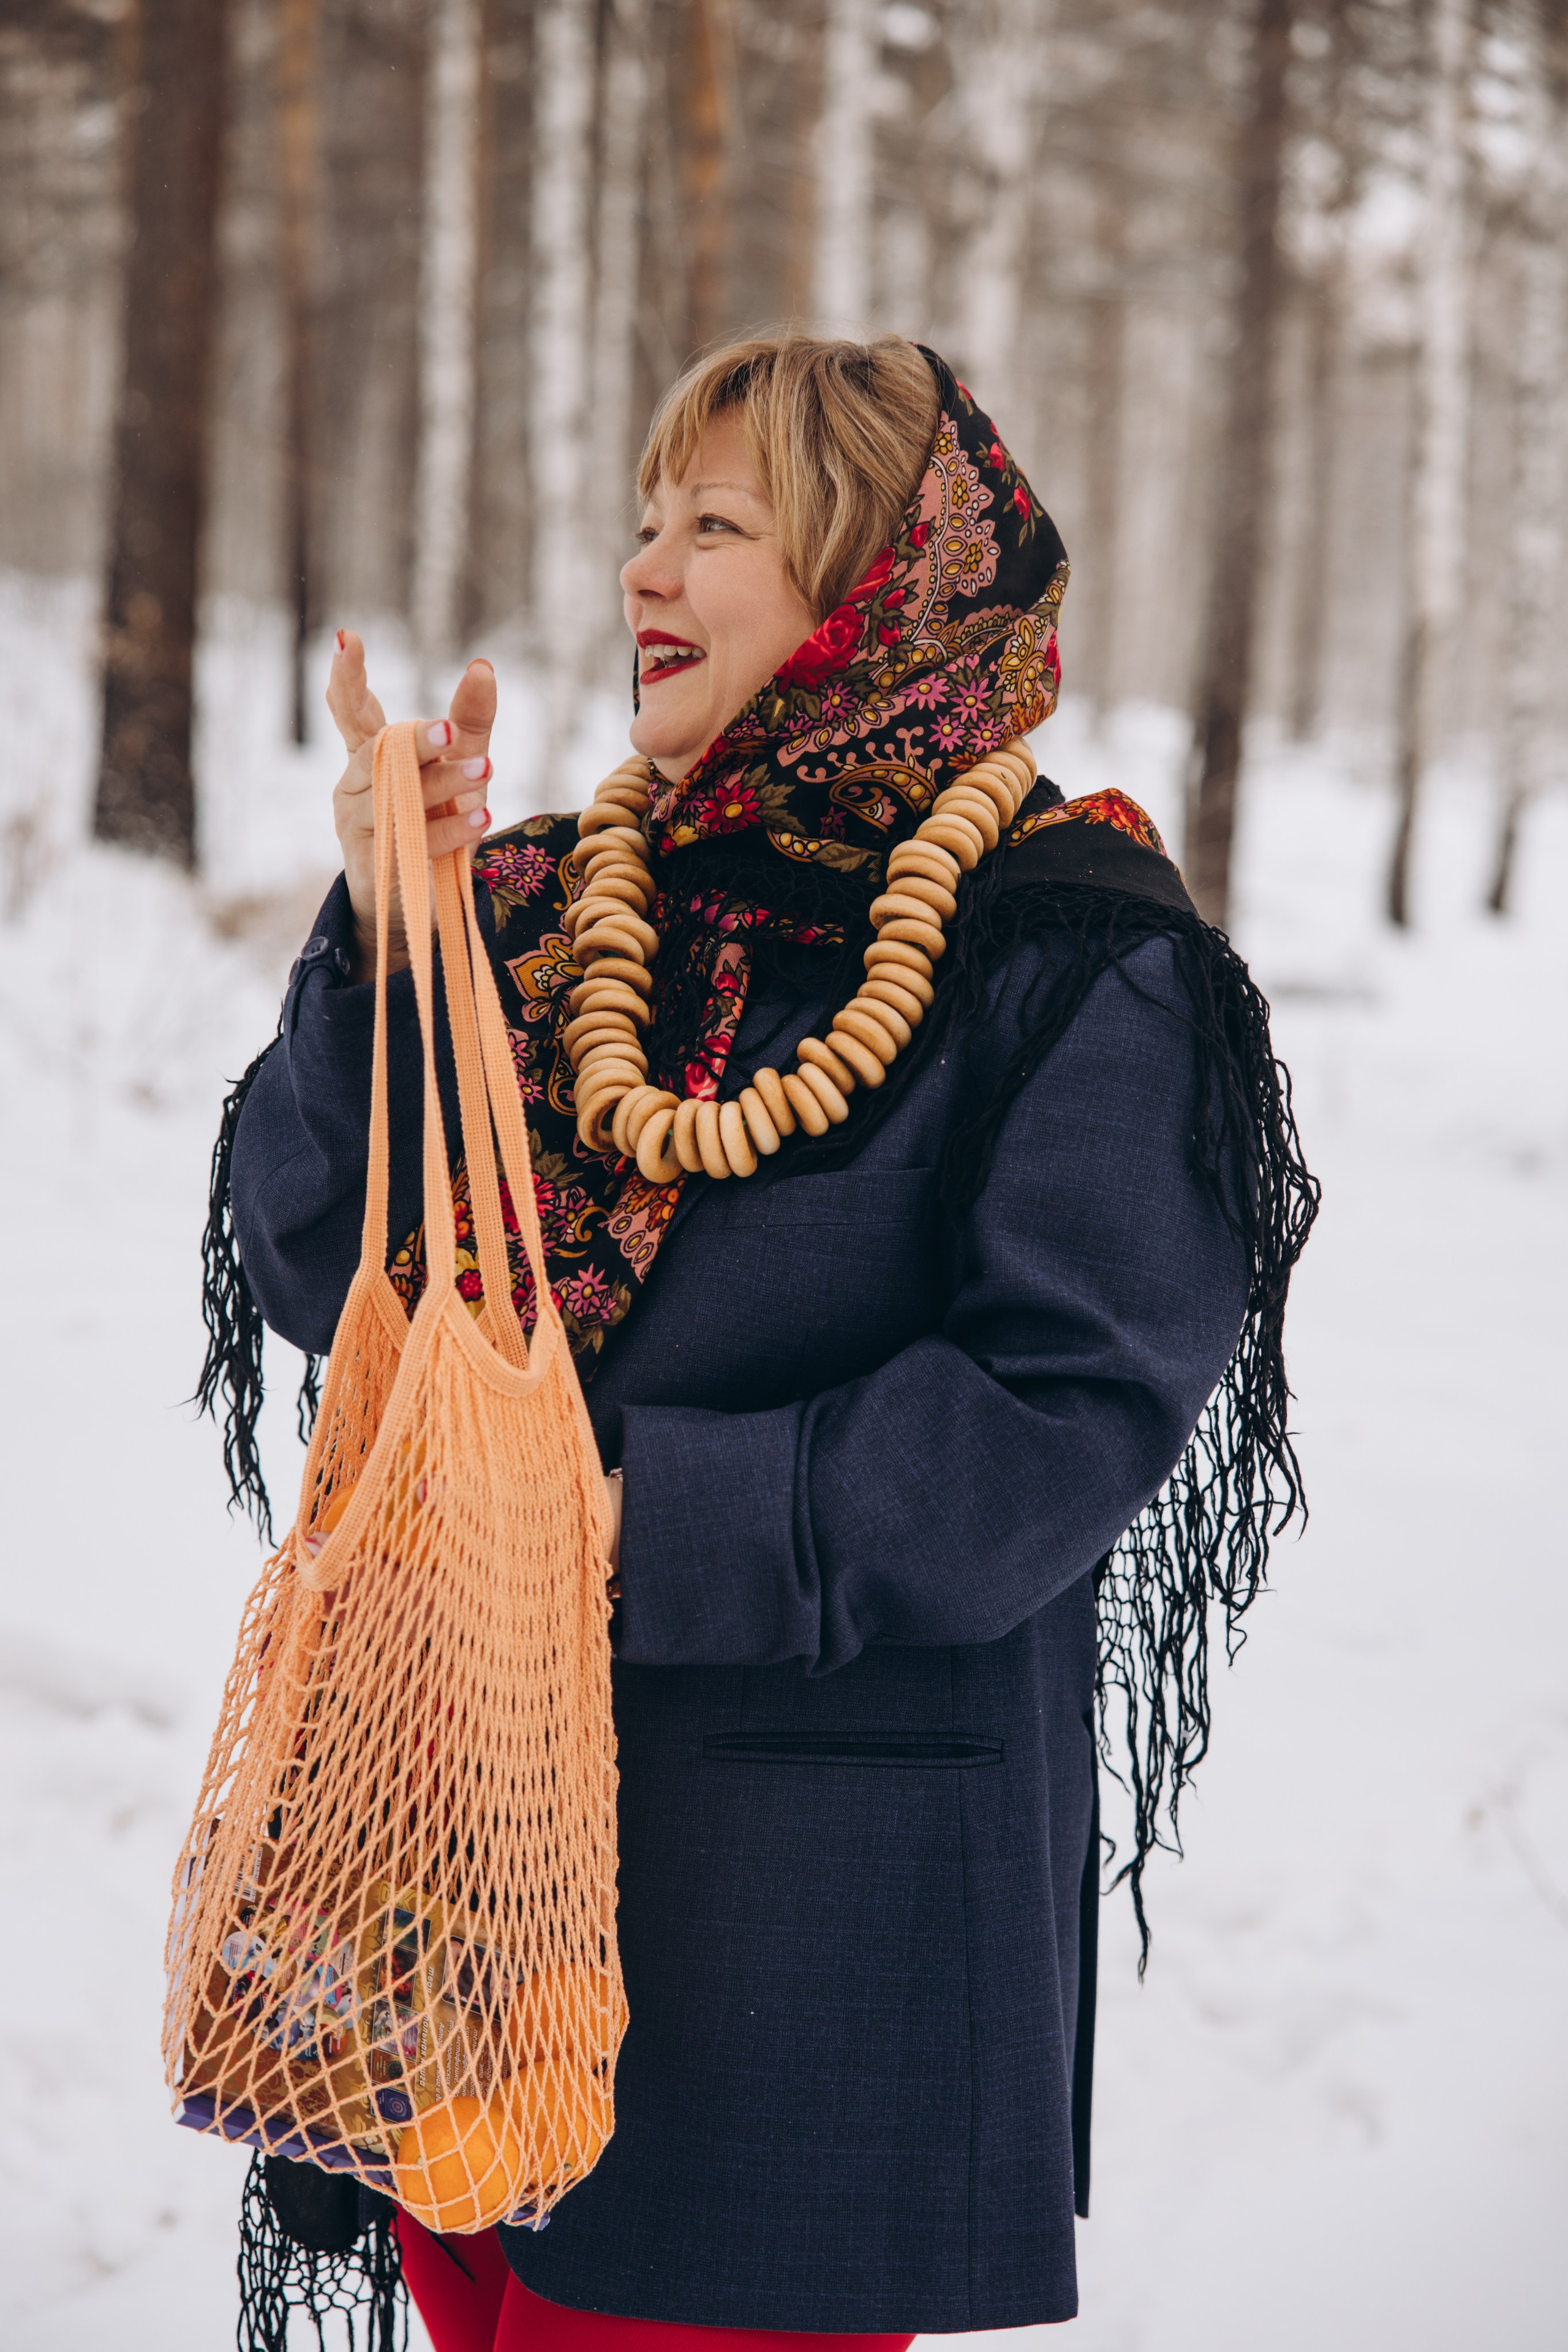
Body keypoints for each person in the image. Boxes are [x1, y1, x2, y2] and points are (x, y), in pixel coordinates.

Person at [208, 334, 1316, 2351]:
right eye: (645, 522)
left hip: (799, 1932)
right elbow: (315, 1264)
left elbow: (1056, 1416)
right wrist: (394, 932)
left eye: (715, 524)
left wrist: (634, 1524)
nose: (647, 571)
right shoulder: (546, 905)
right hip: (451, 1883)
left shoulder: (1071, 952)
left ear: (887, 573)